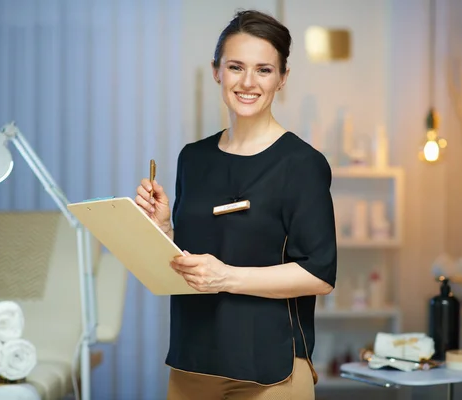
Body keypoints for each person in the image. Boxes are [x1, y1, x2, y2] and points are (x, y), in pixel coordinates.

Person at [135, 9, 337, 400]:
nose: (248, 82)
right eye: (235, 67)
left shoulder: (301, 164)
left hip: (269, 367)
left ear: (282, 78)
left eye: (263, 69)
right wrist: (163, 230)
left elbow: (320, 275)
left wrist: (226, 277)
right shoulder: (193, 158)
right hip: (192, 362)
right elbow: (194, 261)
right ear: (217, 72)